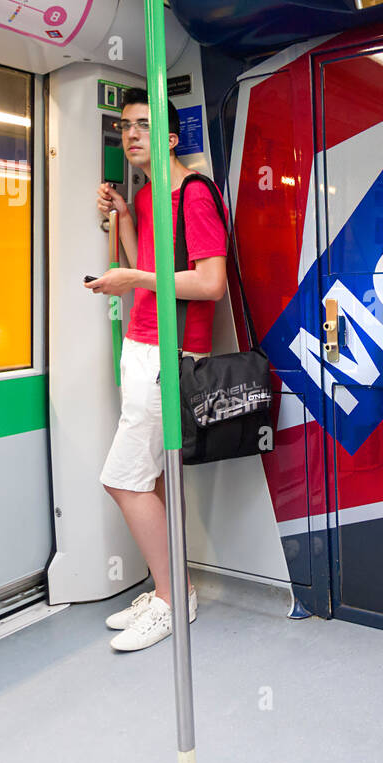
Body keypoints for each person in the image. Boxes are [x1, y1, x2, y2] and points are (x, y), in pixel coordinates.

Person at [86, 88, 228, 652]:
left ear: (170, 137)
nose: (132, 135)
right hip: (139, 346)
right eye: (125, 127)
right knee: (156, 478)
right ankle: (175, 590)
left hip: (169, 355)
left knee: (122, 478)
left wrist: (134, 281)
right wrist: (122, 217)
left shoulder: (193, 193)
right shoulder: (145, 198)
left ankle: (171, 599)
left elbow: (210, 282)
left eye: (144, 126)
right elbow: (144, 261)